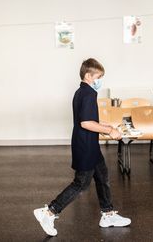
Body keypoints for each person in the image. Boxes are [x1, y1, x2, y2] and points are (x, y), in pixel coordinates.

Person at [33, 58, 131, 237]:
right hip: (85, 146)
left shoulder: (82, 91)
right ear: (88, 75)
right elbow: (86, 123)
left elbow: (87, 119)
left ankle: (108, 214)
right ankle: (49, 212)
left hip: (89, 144)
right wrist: (109, 130)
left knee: (102, 177)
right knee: (81, 183)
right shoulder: (88, 94)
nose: (100, 80)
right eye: (99, 77)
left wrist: (104, 124)